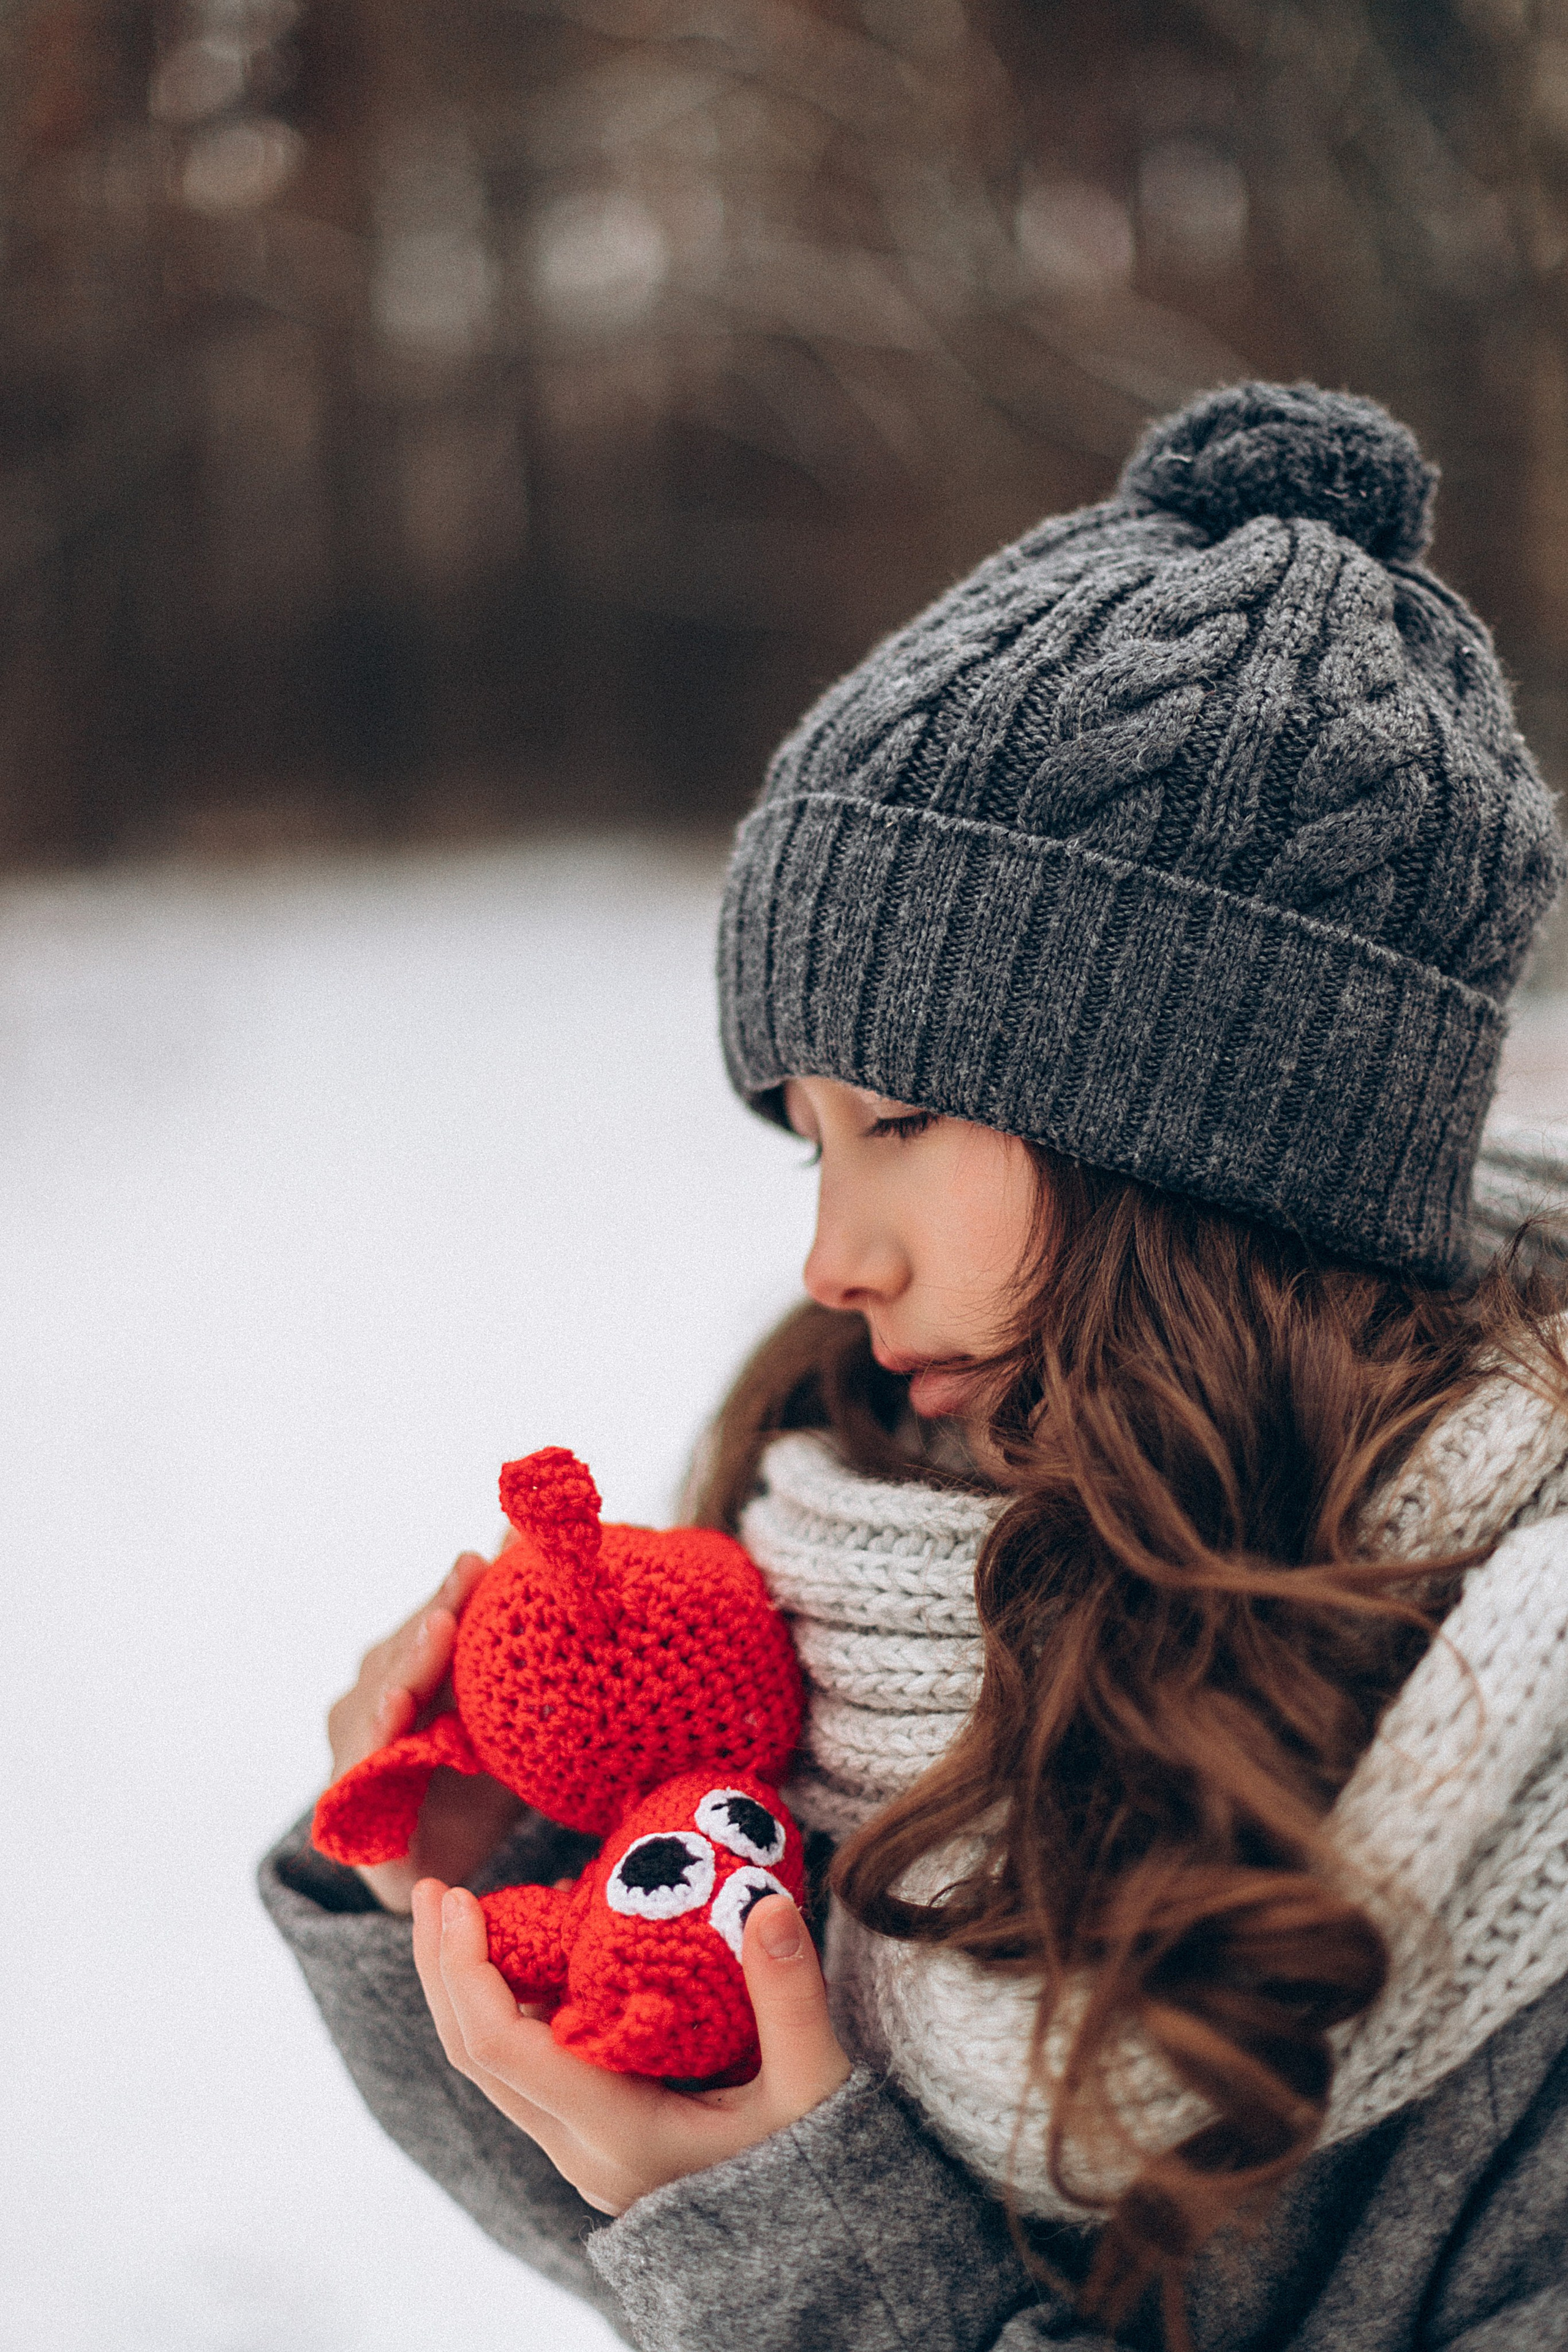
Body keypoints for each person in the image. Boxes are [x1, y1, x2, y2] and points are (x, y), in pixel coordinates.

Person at [260, 382, 1568, 2352]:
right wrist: (492, 1876)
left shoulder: (1514, 1771)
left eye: (901, 1119)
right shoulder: (826, 1530)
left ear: (1216, 1128)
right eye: (812, 1143)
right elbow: (647, 2229)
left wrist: (817, 2260)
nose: (831, 1262)